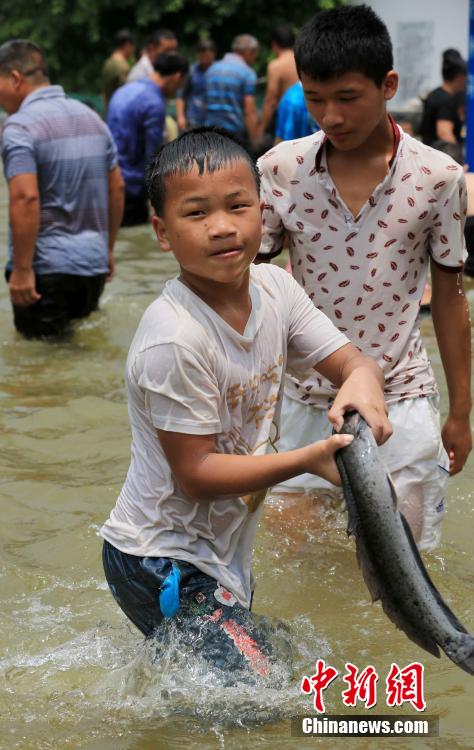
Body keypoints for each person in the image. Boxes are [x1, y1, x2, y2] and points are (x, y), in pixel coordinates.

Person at [100, 128, 392, 678]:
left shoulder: (276, 289)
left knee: (249, 677)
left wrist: (363, 383)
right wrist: (309, 459)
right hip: (158, 557)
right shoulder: (174, 338)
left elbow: (353, 362)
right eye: (196, 213)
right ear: (162, 232)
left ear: (262, 211)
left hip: (219, 548)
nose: (221, 227)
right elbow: (197, 474)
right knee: (257, 691)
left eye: (237, 206)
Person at [257, 4, 472, 551]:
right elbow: (251, 291)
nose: (331, 116)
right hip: (303, 402)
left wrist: (461, 413)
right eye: (315, 99)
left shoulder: (439, 177)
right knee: (302, 573)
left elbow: (451, 299)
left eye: (347, 97)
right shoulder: (280, 169)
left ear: (388, 85)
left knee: (403, 575)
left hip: (403, 399)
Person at [0, 39, 124, 340]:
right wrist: (107, 250)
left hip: (45, 271)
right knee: (79, 350)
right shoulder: (93, 119)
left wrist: (23, 269)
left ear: (15, 78)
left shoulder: (19, 127)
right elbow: (118, 187)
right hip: (93, 266)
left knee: (41, 361)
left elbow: (25, 196)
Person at [107, 53, 188, 226]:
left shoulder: (123, 91)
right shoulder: (154, 103)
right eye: (180, 85)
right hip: (133, 186)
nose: (177, 91)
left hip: (110, 178)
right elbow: (153, 156)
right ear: (176, 77)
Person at [204, 34, 260, 146]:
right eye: (255, 54)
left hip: (209, 132)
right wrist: (255, 140)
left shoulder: (211, 69)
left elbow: (204, 103)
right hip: (233, 136)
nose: (255, 58)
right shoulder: (247, 73)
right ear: (249, 52)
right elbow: (249, 111)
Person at [421, 49, 467, 147]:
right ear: (460, 77)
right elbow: (444, 134)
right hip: (438, 154)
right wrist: (459, 155)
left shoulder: (435, 94)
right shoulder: (445, 101)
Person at [260, 26, 299, 137]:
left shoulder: (276, 66)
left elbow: (271, 101)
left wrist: (261, 129)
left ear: (274, 44)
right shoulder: (303, 60)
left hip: (286, 116)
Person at [175, 39, 216, 131]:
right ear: (197, 54)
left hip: (214, 119)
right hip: (194, 119)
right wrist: (180, 117)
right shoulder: (191, 71)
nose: (205, 59)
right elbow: (180, 95)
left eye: (207, 56)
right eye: (202, 55)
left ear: (214, 54)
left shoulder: (219, 71)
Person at [101, 29, 135, 111]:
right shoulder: (123, 67)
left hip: (107, 109)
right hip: (117, 112)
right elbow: (125, 96)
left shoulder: (108, 62)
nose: (133, 50)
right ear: (127, 45)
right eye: (133, 46)